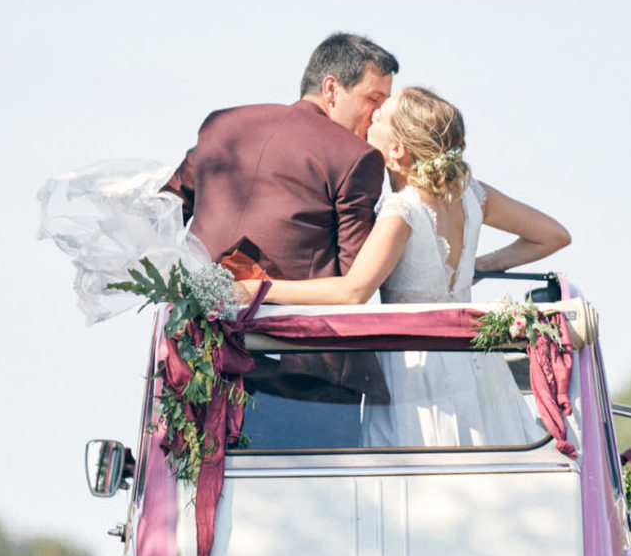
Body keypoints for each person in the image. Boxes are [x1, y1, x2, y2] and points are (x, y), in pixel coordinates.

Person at [234, 86, 570, 448]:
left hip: (419, 369)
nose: (370, 117)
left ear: (396, 150)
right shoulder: (472, 194)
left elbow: (353, 292)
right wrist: (476, 266)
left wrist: (257, 289)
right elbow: (552, 235)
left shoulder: (402, 211)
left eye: (378, 117)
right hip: (474, 362)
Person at [162, 34, 398, 281]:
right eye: (373, 99)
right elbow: (354, 278)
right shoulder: (357, 157)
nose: (378, 114)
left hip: (193, 315)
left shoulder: (220, 125)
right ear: (331, 89)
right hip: (286, 317)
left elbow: (163, 213)